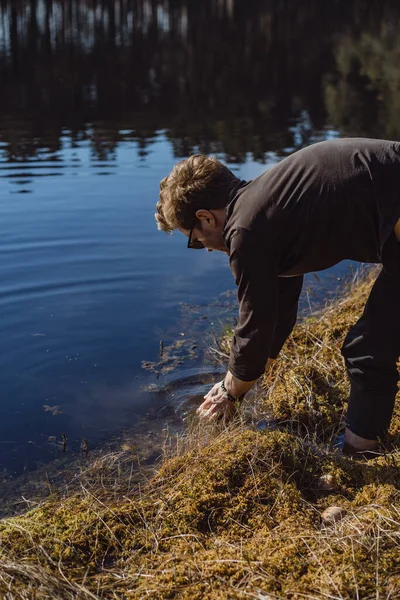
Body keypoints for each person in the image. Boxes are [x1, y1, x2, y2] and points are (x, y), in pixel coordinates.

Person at [155, 138, 400, 456]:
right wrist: (248, 379)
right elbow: (277, 309)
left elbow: (254, 322)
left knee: (367, 351)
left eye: (196, 240)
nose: (207, 248)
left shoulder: (245, 230)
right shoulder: (267, 205)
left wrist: (229, 393)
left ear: (205, 218)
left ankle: (359, 459)